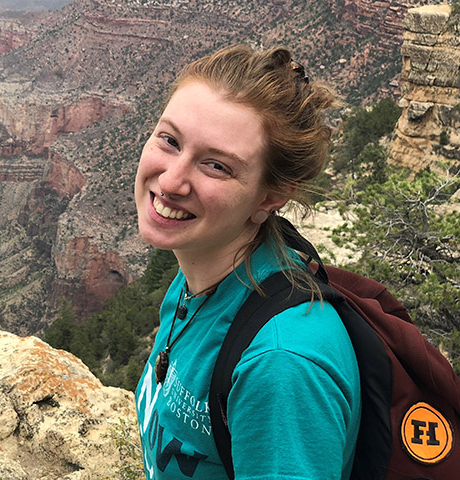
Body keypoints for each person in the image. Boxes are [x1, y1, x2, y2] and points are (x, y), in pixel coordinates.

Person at [134, 44, 361, 479]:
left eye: (216, 166)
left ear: (270, 197)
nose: (172, 180)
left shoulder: (281, 364)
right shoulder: (198, 277)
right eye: (170, 140)